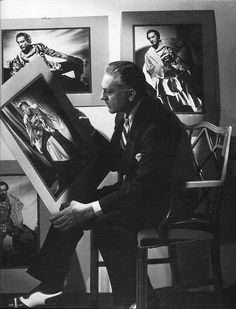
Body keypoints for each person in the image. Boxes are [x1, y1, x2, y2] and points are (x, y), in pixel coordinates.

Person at [9, 61, 196, 309]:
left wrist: (93, 209)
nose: (101, 96)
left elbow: (147, 184)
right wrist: (89, 130)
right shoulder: (126, 112)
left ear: (130, 93)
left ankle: (138, 301)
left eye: (108, 91)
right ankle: (51, 287)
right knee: (68, 209)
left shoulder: (157, 123)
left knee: (107, 223)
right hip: (143, 193)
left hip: (169, 200)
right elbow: (117, 160)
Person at [19, 101, 87, 195]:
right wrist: (35, 137)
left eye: (26, 108)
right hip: (42, 135)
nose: (25, 111)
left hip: (50, 129)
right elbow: (30, 131)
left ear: (28, 106)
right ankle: (63, 175)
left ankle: (76, 166)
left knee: (66, 147)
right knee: (50, 155)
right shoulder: (25, 119)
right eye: (23, 110)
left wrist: (36, 108)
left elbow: (47, 114)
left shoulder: (35, 109)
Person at [143, 29, 202, 113]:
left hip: (178, 74)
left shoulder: (169, 42)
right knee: (168, 100)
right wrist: (162, 70)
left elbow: (184, 49)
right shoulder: (149, 54)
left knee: (189, 94)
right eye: (149, 38)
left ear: (158, 36)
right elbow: (149, 70)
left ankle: (197, 110)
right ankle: (171, 115)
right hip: (163, 79)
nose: (151, 39)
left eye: (153, 37)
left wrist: (178, 60)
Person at [7, 32, 88, 91]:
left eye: (22, 41)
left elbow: (53, 53)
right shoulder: (19, 58)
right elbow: (14, 74)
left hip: (53, 68)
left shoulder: (38, 46)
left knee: (77, 61)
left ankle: (79, 82)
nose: (20, 45)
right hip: (42, 77)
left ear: (28, 40)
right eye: (18, 43)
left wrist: (69, 57)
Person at [0, 181, 37, 267]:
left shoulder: (12, 199)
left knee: (30, 237)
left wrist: (18, 226)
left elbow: (17, 211)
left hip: (12, 226)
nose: (2, 192)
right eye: (0, 191)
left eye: (4, 190)